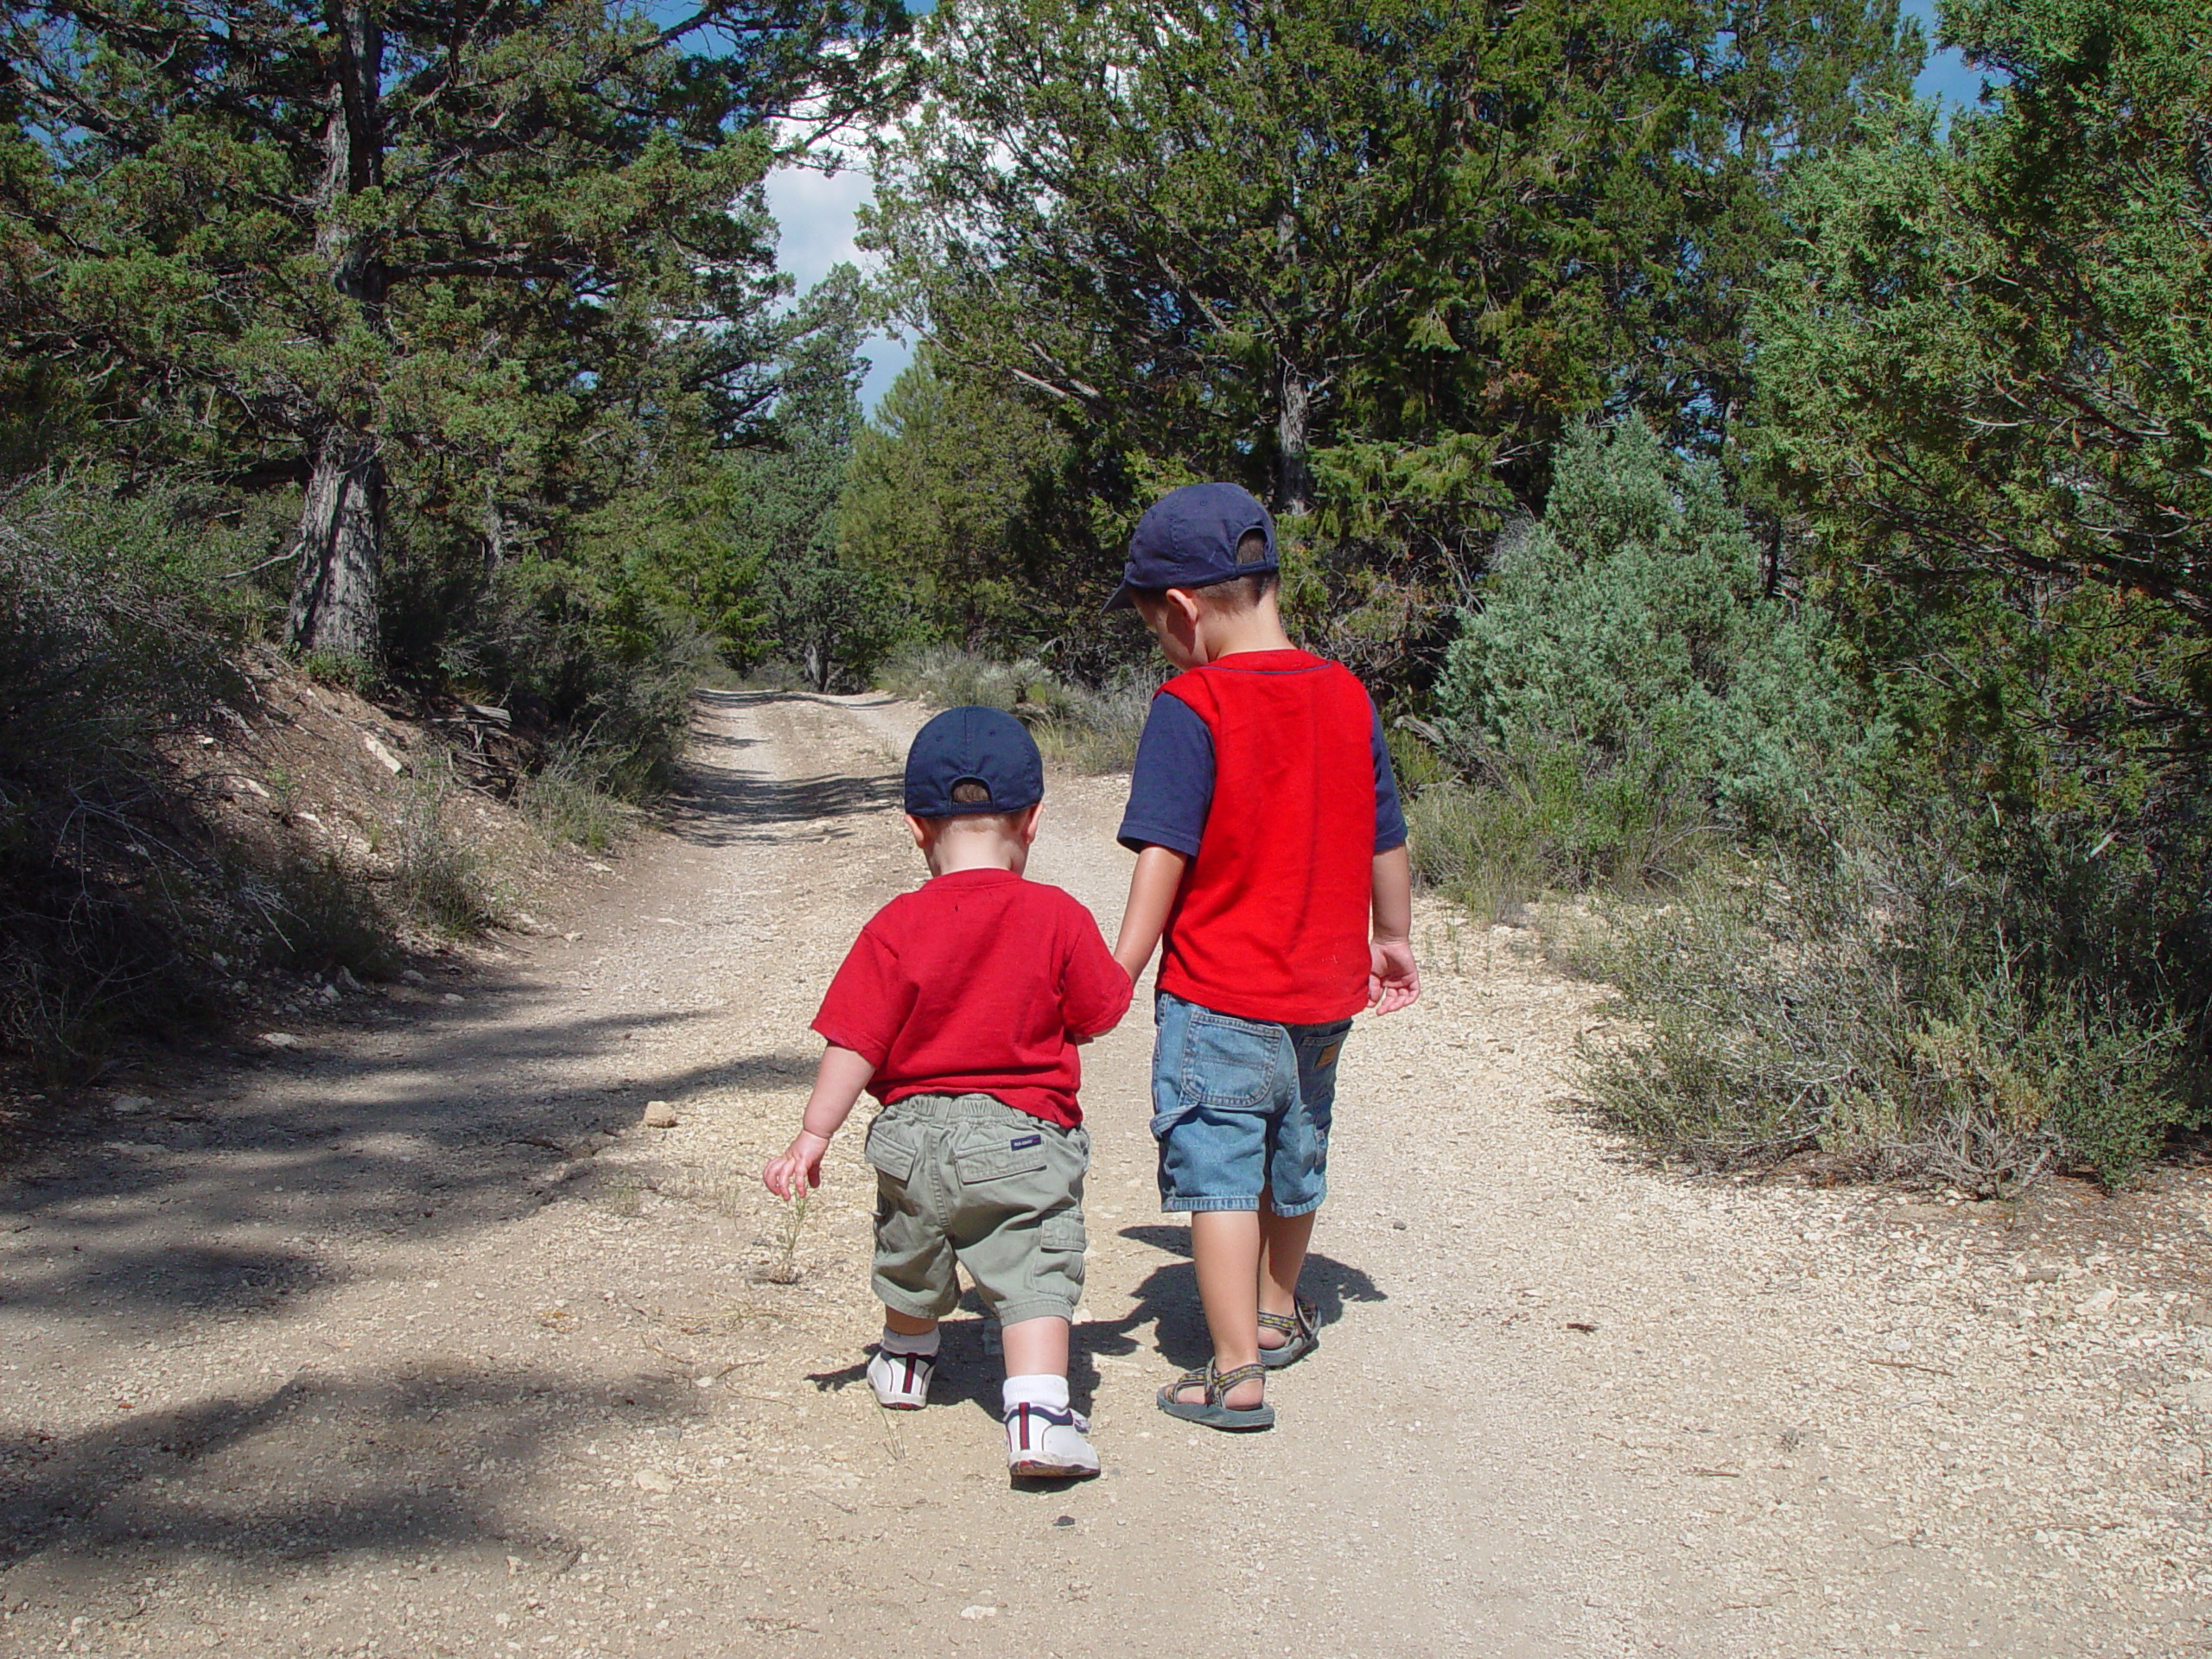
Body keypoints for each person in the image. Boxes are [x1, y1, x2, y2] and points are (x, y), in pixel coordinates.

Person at [1107, 482, 1421, 1431]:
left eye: (1156, 629)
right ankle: (1279, 1311)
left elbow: (1165, 848)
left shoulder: (1189, 703)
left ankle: (1236, 1369)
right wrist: (1393, 940)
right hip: (1324, 993)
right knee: (1296, 1148)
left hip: (1217, 995)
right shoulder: (1346, 693)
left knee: (1219, 1168)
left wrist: (1118, 967)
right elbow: (1386, 835)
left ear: (1181, 610)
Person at [762, 705, 1133, 1479]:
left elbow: (855, 1040)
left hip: (911, 1136)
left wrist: (813, 1133)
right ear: (1032, 821)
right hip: (1021, 1136)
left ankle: (902, 1364)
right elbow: (1100, 1012)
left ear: (914, 828)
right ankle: (1036, 1416)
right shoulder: (1056, 915)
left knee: (912, 1246)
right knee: (1033, 1264)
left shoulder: (895, 923)